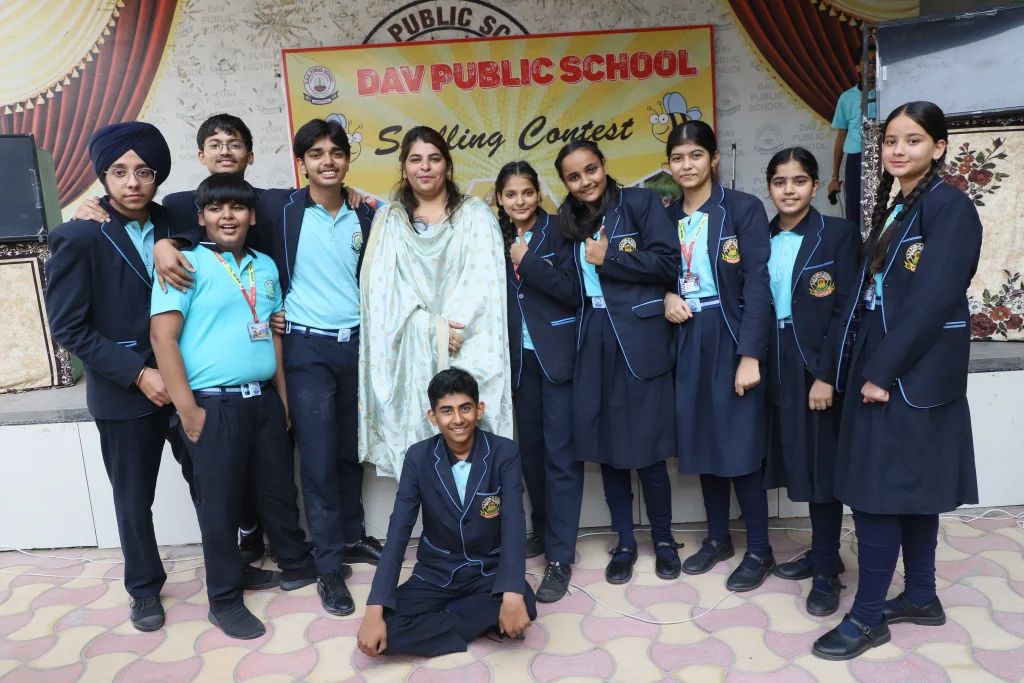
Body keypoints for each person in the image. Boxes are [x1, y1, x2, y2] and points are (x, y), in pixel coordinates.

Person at [69, 113, 362, 562]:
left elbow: (322, 191)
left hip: (235, 364)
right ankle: (156, 586)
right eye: (215, 143)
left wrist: (355, 196)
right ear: (200, 156)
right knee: (143, 495)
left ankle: (269, 552)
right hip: (147, 376)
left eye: (235, 143)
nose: (225, 151)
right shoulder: (169, 208)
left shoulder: (271, 202)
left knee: (241, 476)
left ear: (251, 153)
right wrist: (95, 205)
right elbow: (71, 323)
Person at [813, 101, 982, 660]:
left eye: (912, 140)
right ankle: (921, 598)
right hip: (888, 365)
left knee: (878, 495)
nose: (897, 150)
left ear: (938, 147)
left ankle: (866, 619)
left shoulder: (950, 208)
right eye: (890, 141)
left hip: (909, 375)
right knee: (907, 492)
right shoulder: (901, 206)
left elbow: (932, 300)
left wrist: (881, 372)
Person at [150, 173, 320, 639]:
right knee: (219, 505)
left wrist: (281, 399)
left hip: (262, 401)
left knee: (275, 491)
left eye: (237, 208)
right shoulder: (185, 263)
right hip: (212, 404)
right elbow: (162, 338)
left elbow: (273, 336)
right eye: (217, 209)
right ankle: (223, 599)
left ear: (252, 215)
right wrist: (187, 411)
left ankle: (293, 565)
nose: (228, 216)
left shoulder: (265, 266)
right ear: (201, 217)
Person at [44, 122, 195, 632]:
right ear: (103, 176)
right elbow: (68, 327)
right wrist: (136, 374)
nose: (132, 182)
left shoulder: (177, 217)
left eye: (144, 171)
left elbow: (238, 200)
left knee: (211, 480)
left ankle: (229, 565)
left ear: (158, 176)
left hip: (188, 382)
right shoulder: (78, 234)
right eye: (120, 171)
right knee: (134, 499)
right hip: (124, 392)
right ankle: (144, 589)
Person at [555, 140, 681, 585]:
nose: (585, 181)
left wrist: (611, 257)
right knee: (607, 451)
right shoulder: (567, 222)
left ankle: (664, 540)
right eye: (574, 176)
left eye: (591, 169)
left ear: (604, 167)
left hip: (639, 337)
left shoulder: (641, 202)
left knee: (647, 451)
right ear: (565, 184)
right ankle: (625, 542)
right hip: (593, 339)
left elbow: (669, 264)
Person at [358, 126, 513, 480]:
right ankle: (437, 531)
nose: (424, 167)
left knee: (474, 443)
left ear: (448, 166)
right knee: (426, 454)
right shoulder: (389, 221)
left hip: (469, 343)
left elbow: (484, 285)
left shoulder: (475, 215)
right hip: (410, 356)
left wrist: (450, 331)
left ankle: (481, 528)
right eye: (415, 159)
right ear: (403, 168)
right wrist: (431, 330)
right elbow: (381, 294)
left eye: (434, 158)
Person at [663, 121, 775, 592]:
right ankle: (716, 539)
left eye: (694, 155)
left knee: (739, 441)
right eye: (677, 158)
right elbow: (656, 271)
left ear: (712, 159)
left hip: (729, 334)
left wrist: (750, 354)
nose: (686, 165)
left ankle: (760, 549)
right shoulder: (665, 217)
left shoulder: (742, 209)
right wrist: (667, 293)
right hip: (687, 335)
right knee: (703, 437)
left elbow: (757, 283)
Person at [356, 368, 536, 658]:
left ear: (479, 410)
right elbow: (399, 531)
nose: (457, 419)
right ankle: (475, 621)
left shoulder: (504, 452)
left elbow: (514, 522)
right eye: (447, 411)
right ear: (433, 417)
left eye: (465, 408)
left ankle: (454, 620)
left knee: (524, 600)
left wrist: (512, 593)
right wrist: (374, 609)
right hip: (436, 573)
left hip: (487, 571)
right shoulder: (418, 457)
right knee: (382, 630)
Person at [760, 147, 860, 616]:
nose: (789, 190)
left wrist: (826, 375)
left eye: (799, 181)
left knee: (821, 468)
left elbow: (846, 312)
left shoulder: (837, 235)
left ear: (816, 186)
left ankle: (825, 572)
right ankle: (825, 556)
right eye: (780, 182)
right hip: (770, 362)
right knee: (792, 462)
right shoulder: (758, 237)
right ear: (769, 187)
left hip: (812, 363)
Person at [496, 161, 583, 602]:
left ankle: (561, 557)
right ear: (500, 199)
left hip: (558, 359)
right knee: (529, 454)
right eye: (511, 195)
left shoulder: (560, 229)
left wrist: (527, 261)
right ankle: (544, 532)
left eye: (527, 192)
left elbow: (573, 290)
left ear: (538, 193)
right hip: (517, 363)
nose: (520, 201)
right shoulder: (495, 237)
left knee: (561, 457)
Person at [828, 43, 877, 224]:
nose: (871, 66)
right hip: (855, 158)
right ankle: (858, 252)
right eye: (866, 61)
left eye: (875, 61)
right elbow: (841, 136)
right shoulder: (847, 97)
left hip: (884, 157)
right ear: (857, 67)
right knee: (855, 211)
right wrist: (834, 177)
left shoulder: (888, 94)